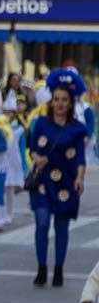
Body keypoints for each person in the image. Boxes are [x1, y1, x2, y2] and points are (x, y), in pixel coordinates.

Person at [29, 68, 89, 288]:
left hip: (66, 182)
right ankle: (41, 268)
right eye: (57, 99)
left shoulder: (77, 129)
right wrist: (37, 158)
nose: (60, 103)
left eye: (64, 100)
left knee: (61, 228)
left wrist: (80, 178)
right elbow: (32, 149)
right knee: (42, 222)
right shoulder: (41, 123)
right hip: (43, 181)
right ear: (51, 101)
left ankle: (59, 270)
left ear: (71, 103)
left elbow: (80, 157)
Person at [1, 95, 28, 226]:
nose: (7, 115)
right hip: (1, 161)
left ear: (14, 113)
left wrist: (24, 166)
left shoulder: (20, 129)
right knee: (0, 189)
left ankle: (9, 214)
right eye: (5, 112)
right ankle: (0, 214)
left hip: (14, 162)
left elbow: (22, 149)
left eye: (10, 112)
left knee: (10, 190)